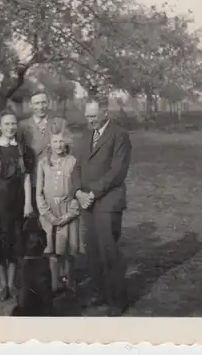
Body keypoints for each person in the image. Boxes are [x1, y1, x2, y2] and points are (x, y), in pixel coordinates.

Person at [71, 97, 132, 316]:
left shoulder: (120, 135)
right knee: (92, 251)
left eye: (93, 116)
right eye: (87, 116)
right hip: (87, 202)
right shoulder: (87, 134)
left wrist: (92, 193)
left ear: (105, 112)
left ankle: (118, 300)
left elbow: (117, 172)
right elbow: (77, 166)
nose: (90, 120)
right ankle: (99, 292)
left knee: (109, 251)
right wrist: (77, 192)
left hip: (108, 201)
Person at [0, 109, 34, 301]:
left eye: (13, 123)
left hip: (17, 201)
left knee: (14, 242)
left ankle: (12, 284)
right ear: (0, 126)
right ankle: (2, 284)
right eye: (7, 124)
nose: (11, 127)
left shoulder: (23, 149)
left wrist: (28, 203)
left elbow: (27, 177)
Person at [36, 126, 82, 294]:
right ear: (49, 142)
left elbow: (78, 188)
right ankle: (55, 282)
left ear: (67, 142)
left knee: (68, 250)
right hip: (50, 213)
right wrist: (47, 214)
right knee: (52, 250)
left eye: (61, 141)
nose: (58, 145)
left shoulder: (73, 161)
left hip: (67, 211)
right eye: (55, 141)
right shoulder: (42, 163)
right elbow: (38, 192)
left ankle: (69, 281)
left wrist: (70, 214)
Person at [18, 90, 67, 211]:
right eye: (37, 103)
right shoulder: (22, 126)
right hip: (32, 181)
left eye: (44, 102)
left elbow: (67, 153)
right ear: (31, 105)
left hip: (55, 181)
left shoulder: (59, 123)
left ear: (48, 103)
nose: (41, 107)